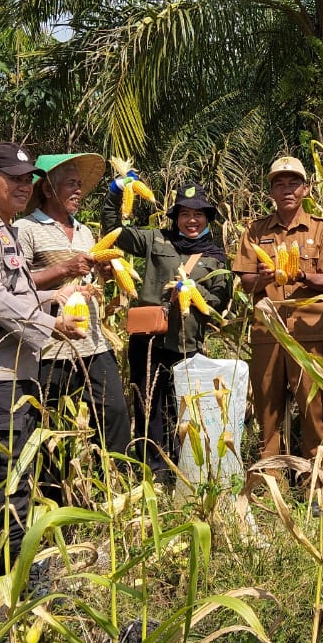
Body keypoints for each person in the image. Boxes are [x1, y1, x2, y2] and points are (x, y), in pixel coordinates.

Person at [0, 142, 85, 567]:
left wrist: (56, 295)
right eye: (14, 178)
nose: (24, 187)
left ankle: (8, 566)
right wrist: (51, 324)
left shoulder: (4, 230)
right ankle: (0, 573)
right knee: (2, 476)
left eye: (28, 180)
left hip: (15, 370)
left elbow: (16, 295)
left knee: (17, 472)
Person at [100, 182, 233, 476]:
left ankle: (183, 466)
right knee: (148, 405)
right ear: (175, 217)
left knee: (183, 408)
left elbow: (221, 298)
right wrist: (116, 192)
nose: (192, 221)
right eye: (185, 214)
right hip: (148, 339)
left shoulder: (215, 257)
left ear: (207, 218)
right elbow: (113, 231)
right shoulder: (155, 240)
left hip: (187, 343)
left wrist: (193, 293)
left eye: (198, 214)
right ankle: (154, 470)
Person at [14, 153, 132, 473]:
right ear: (49, 190)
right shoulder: (25, 229)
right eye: (71, 184)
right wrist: (63, 268)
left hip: (92, 342)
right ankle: (56, 497)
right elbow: (15, 284)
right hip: (50, 346)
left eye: (80, 185)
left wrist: (104, 274)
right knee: (50, 423)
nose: (78, 191)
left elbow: (88, 281)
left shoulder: (85, 232)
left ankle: (115, 484)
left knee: (115, 413)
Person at [235, 156, 323, 462]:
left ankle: (314, 476)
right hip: (267, 331)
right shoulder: (254, 231)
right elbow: (245, 281)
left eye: (294, 183)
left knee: (313, 407)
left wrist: (302, 275)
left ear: (305, 189)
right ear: (270, 192)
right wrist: (262, 278)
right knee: (267, 409)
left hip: (310, 332)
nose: (287, 190)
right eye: (279, 184)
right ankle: (269, 476)